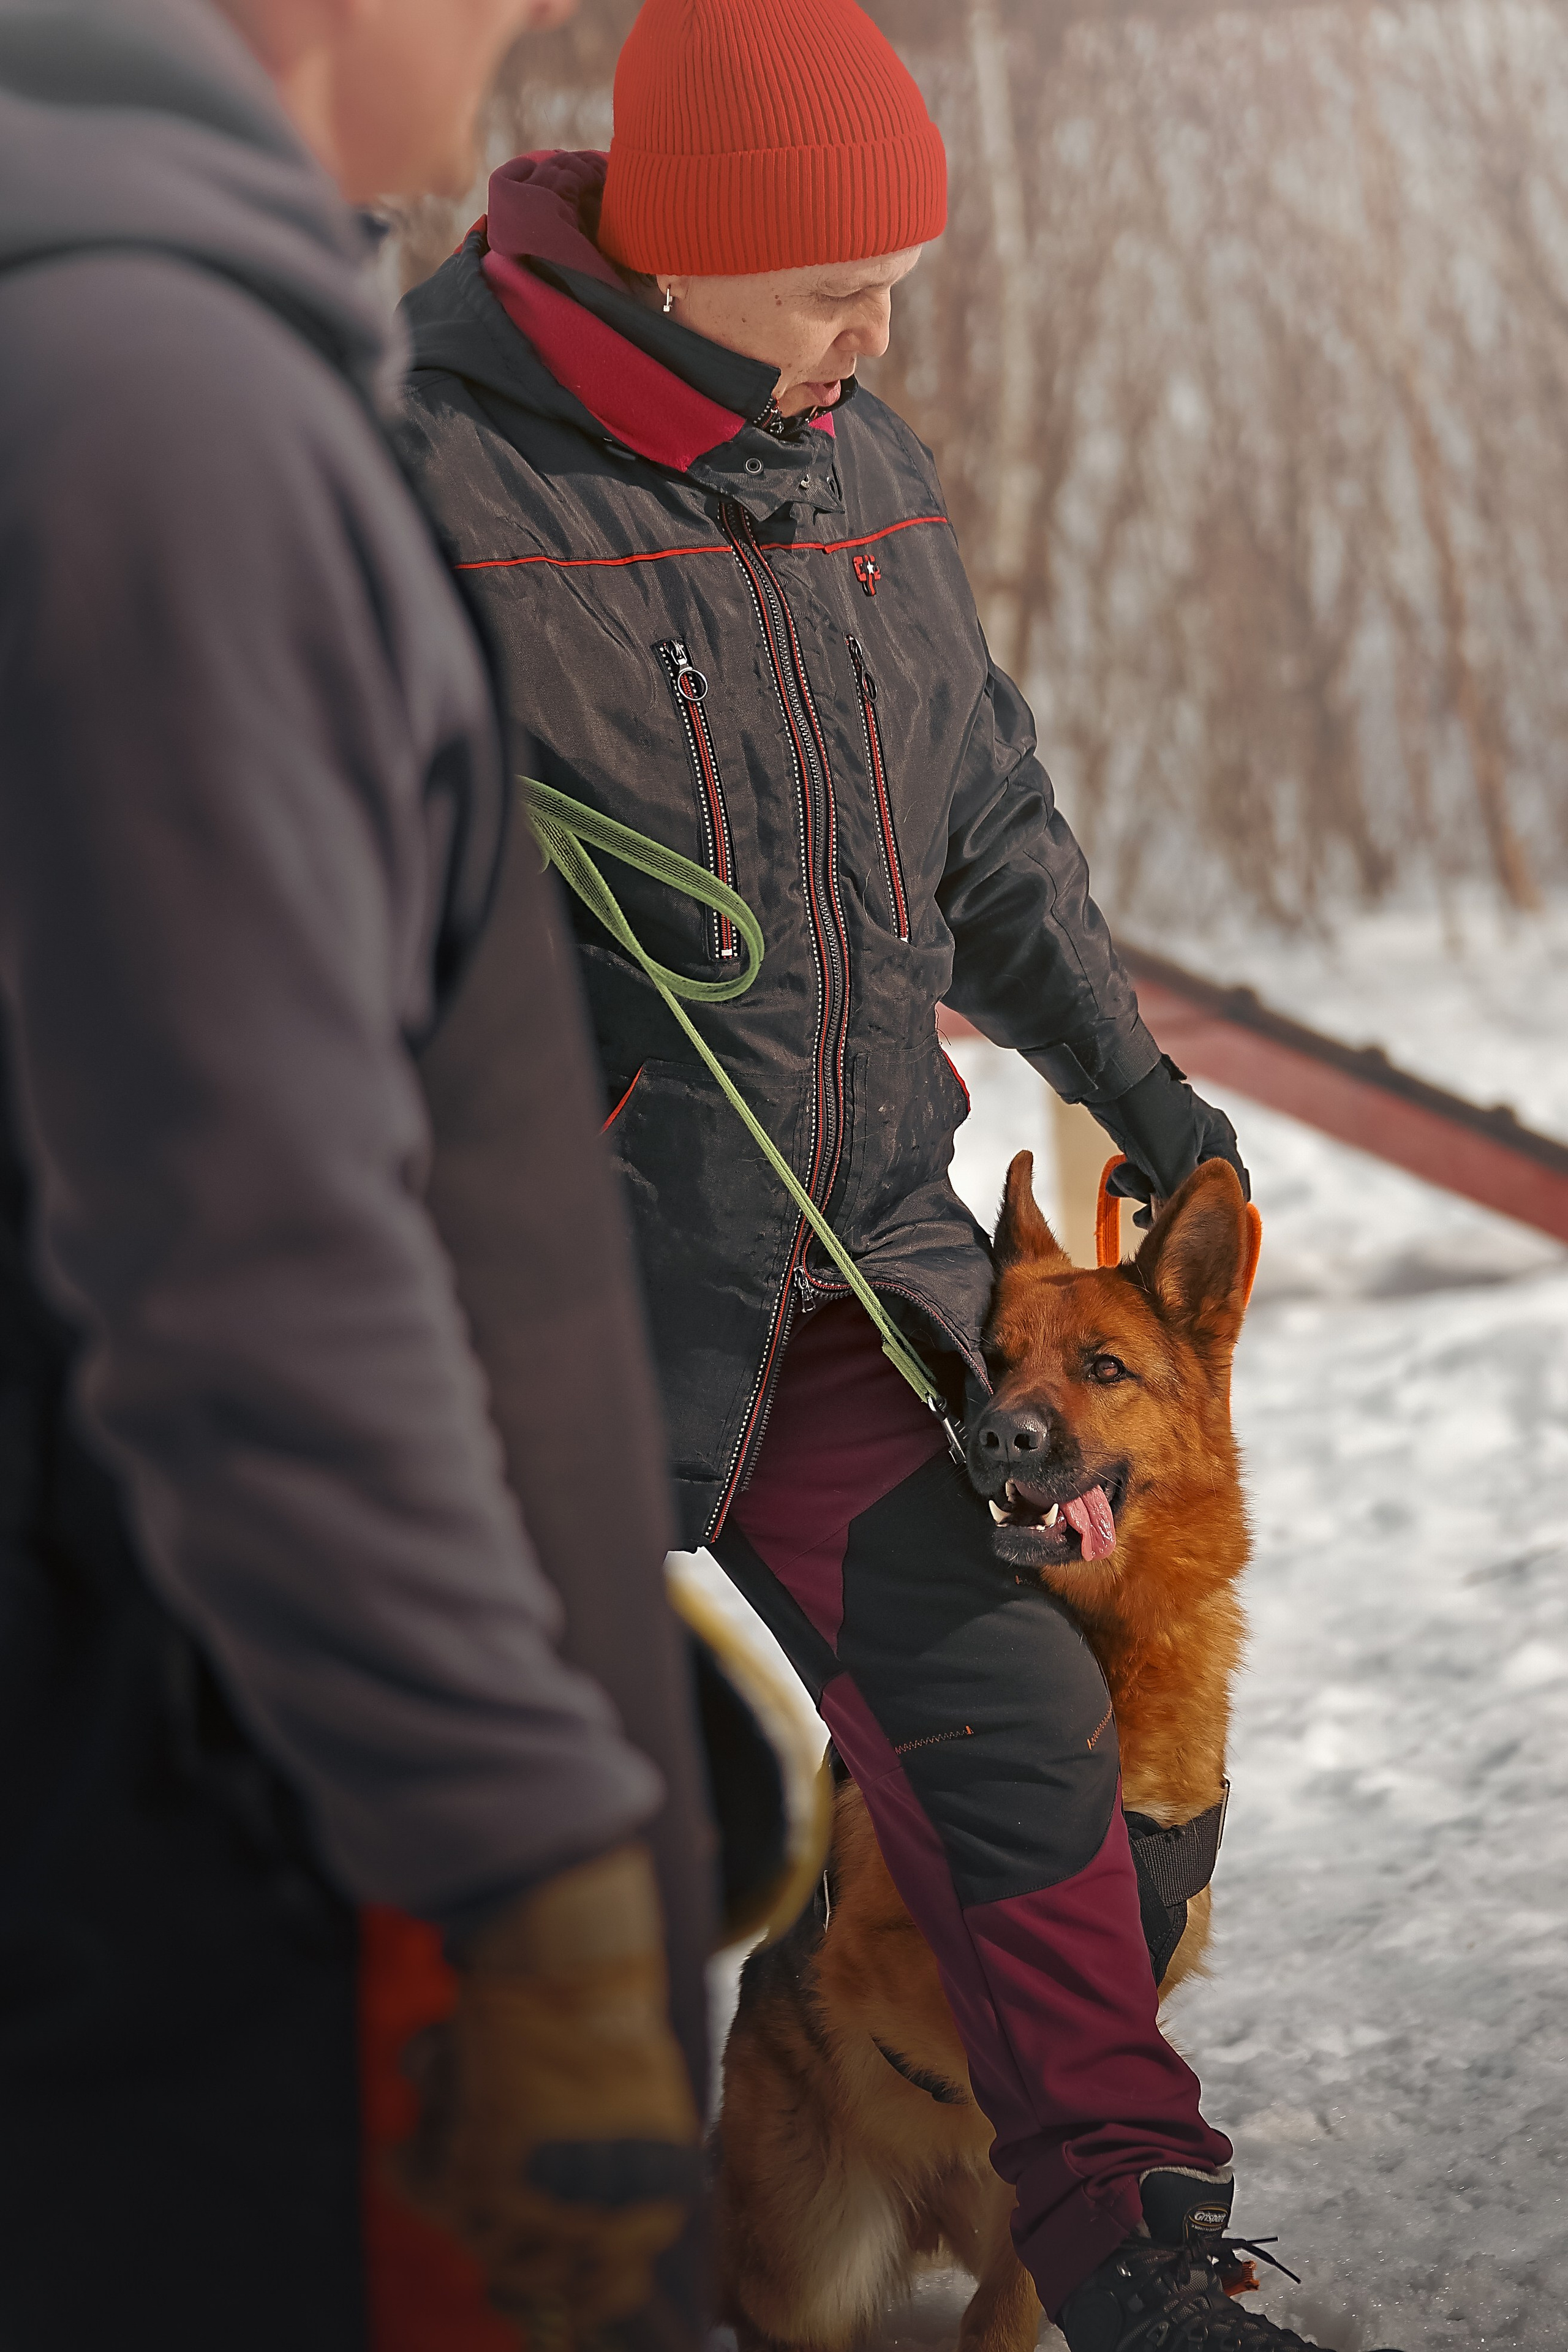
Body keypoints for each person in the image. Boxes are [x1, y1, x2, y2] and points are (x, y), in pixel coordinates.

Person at [393, 6, 1405, 2350]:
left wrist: (1135, 1082)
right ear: (677, 254)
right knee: (525, 1813)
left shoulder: (865, 466)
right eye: (836, 286)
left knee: (1020, 1720)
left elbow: (991, 832)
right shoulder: (421, 485)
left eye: (899, 285)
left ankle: (1131, 2248)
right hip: (538, 1301)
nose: (877, 331)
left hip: (853, 1265)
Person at [0, 1, 717, 2347]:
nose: (527, 12)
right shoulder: (156, 406)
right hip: (310, 1935)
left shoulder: (167, 362)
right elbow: (250, 1247)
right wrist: (517, 1841)